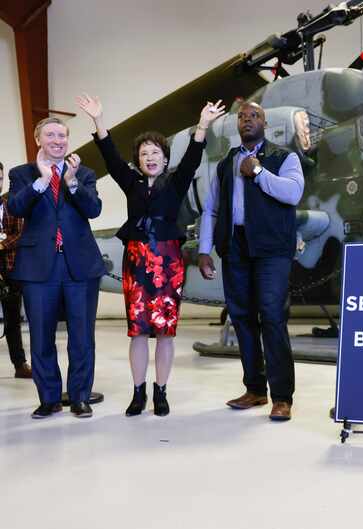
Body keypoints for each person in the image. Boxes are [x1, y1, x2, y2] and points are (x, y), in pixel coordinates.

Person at [77, 94, 226, 417]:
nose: (150, 157)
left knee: (165, 331)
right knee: (139, 330)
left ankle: (161, 391)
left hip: (169, 263)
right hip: (137, 262)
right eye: (144, 154)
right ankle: (138, 392)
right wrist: (99, 121)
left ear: (164, 157)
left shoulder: (175, 183)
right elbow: (111, 158)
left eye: (155, 152)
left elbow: (192, 157)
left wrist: (202, 125)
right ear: (139, 160)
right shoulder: (130, 182)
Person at [197, 101, 304, 421]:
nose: (247, 121)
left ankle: (282, 396)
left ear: (265, 123)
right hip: (236, 247)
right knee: (242, 317)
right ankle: (255, 389)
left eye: (254, 116)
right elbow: (212, 209)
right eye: (242, 117)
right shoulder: (226, 162)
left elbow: (293, 193)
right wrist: (205, 249)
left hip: (272, 248)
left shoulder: (285, 157)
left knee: (272, 316)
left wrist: (258, 171)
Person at [8, 117, 106, 419]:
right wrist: (41, 181)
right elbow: (15, 207)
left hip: (79, 266)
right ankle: (49, 398)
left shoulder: (84, 172)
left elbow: (94, 209)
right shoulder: (22, 174)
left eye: (62, 135)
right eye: (50, 135)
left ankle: (79, 397)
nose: (57, 140)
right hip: (39, 268)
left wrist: (71, 182)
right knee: (41, 337)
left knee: (82, 337)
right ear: (38, 139)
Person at [0, 161, 31, 379]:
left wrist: (2, 245)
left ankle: (19, 365)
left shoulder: (12, 203)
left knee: (12, 320)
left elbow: (22, 233)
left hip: (9, 268)